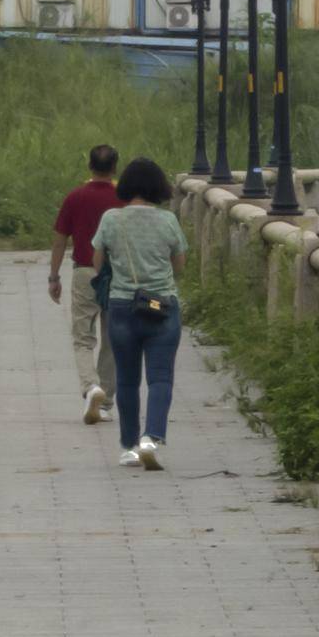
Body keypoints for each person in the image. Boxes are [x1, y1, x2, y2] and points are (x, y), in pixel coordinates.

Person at [93, 157, 188, 471]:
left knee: (127, 379)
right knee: (160, 378)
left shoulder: (110, 219)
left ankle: (130, 447)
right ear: (158, 187)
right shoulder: (167, 221)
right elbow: (179, 265)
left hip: (122, 306)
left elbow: (97, 262)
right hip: (162, 306)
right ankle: (153, 437)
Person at [46, 144, 122, 423]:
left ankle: (91, 387)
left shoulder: (75, 196)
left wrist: (54, 277)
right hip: (117, 275)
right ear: (115, 168)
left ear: (89, 166)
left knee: (82, 338)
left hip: (84, 272)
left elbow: (59, 239)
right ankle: (106, 402)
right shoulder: (123, 198)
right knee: (112, 338)